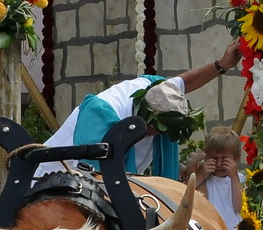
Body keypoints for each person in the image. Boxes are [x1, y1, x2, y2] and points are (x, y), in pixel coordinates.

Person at [39, 39, 242, 179]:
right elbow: (97, 178)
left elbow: (186, 81)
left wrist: (222, 64)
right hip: (60, 175)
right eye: (155, 130)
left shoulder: (159, 91)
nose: (157, 135)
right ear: (144, 118)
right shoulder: (102, 116)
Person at [182, 126, 246, 230]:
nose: (219, 164)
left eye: (225, 159)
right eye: (214, 158)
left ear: (236, 158)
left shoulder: (239, 179)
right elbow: (183, 194)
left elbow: (238, 207)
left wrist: (234, 178)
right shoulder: (204, 180)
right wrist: (201, 175)